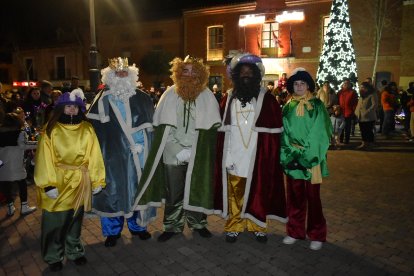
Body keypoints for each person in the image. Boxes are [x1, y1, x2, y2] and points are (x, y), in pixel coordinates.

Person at [133, 55, 221, 242]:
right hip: (172, 153)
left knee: (197, 188)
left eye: (193, 71)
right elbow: (163, 128)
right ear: (178, 73)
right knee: (174, 191)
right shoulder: (169, 94)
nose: (189, 74)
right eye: (185, 70)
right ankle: (172, 225)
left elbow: (211, 130)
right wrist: (177, 149)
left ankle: (198, 223)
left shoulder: (207, 95)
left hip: (197, 153)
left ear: (200, 73)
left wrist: (193, 149)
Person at [214, 53, 286, 243]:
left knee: (259, 192)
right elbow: (221, 131)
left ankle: (258, 226)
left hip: (258, 155)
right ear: (236, 76)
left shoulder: (268, 100)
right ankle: (234, 225)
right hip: (235, 153)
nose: (246, 75)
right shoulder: (228, 99)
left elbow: (274, 133)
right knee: (235, 193)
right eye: (242, 72)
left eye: (250, 72)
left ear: (256, 75)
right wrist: (226, 156)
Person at [34, 89, 106, 271]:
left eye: (75, 106)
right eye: (68, 106)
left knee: (75, 220)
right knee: (55, 222)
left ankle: (74, 251)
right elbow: (44, 158)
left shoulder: (87, 128)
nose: (72, 110)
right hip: (57, 181)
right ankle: (53, 255)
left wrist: (97, 180)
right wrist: (47, 184)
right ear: (60, 108)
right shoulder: (51, 130)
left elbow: (95, 155)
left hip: (80, 181)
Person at [87, 57, 155, 247]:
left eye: (125, 72)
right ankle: (112, 232)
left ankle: (138, 227)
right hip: (111, 156)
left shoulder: (142, 97)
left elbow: (150, 128)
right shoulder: (101, 99)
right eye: (117, 73)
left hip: (138, 156)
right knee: (113, 192)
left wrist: (142, 147)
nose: (121, 75)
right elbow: (92, 132)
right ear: (110, 76)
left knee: (136, 191)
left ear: (131, 75)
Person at [280, 68, 332, 251]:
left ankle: (317, 234)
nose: (299, 86)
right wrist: (289, 155)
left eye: (302, 83)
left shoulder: (317, 105)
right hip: (293, 159)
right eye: (296, 83)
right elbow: (284, 133)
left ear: (308, 85)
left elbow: (321, 133)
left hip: (312, 161)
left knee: (313, 198)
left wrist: (307, 157)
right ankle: (295, 231)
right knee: (294, 197)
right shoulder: (288, 106)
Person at [0, 112, 37, 217]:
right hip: (15, 163)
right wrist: (39, 143)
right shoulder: (20, 133)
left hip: (2, 164)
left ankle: (10, 207)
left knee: (5, 184)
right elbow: (24, 145)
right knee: (22, 184)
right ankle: (24, 207)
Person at [355, 82, 378, 149]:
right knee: (363, 131)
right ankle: (364, 143)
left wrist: (367, 112)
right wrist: (356, 113)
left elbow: (374, 105)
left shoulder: (372, 94)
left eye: (363, 87)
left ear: (367, 88)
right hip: (360, 117)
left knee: (368, 131)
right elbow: (359, 105)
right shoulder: (362, 95)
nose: (361, 88)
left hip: (369, 117)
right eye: (361, 87)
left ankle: (370, 143)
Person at [337, 78, 358, 144]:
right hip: (341, 112)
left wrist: (353, 111)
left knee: (347, 127)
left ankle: (347, 141)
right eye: (345, 83)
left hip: (348, 113)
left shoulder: (353, 92)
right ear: (342, 84)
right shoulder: (339, 92)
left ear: (349, 85)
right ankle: (341, 139)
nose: (346, 84)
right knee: (340, 128)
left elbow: (355, 103)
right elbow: (337, 101)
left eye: (347, 83)